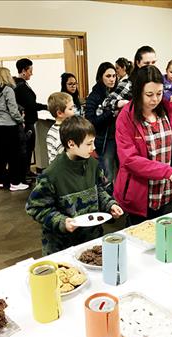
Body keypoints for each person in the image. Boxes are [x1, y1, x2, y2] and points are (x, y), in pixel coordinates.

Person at [114, 65, 172, 226]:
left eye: (159, 93)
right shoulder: (126, 117)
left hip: (166, 193)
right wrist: (167, 171)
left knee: (166, 239)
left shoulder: (167, 111)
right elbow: (129, 160)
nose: (155, 99)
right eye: (149, 94)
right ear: (138, 92)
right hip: (140, 196)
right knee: (141, 244)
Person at [26, 116, 123, 256]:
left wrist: (110, 205)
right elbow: (35, 207)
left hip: (91, 242)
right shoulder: (52, 175)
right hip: (62, 247)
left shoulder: (93, 164)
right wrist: (61, 221)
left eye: (93, 142)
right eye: (89, 144)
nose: (93, 147)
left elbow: (99, 190)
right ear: (71, 144)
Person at [0, 67, 29, 191]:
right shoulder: (8, 90)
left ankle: (1, 181)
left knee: (0, 156)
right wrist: (21, 120)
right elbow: (13, 110)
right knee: (13, 156)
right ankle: (15, 183)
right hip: (9, 127)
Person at [13, 58, 48, 178]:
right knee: (27, 148)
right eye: (30, 71)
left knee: (27, 149)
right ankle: (25, 173)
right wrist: (46, 107)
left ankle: (26, 171)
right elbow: (30, 104)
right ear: (23, 70)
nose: (31, 73)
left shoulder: (19, 84)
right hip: (27, 121)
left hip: (28, 120)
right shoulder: (21, 86)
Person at [85, 62, 118, 185]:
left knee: (120, 173)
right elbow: (91, 121)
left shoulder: (117, 94)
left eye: (114, 76)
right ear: (101, 77)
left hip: (118, 138)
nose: (112, 79)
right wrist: (110, 113)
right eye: (108, 76)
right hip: (104, 140)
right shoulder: (94, 96)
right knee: (107, 174)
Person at [101, 46, 157, 113]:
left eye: (153, 62)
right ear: (138, 63)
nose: (151, 66)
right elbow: (106, 102)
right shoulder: (128, 84)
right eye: (146, 63)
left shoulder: (158, 82)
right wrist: (120, 103)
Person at [46, 92, 74, 163]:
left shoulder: (52, 130)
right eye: (70, 109)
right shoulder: (62, 133)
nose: (73, 112)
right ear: (59, 113)